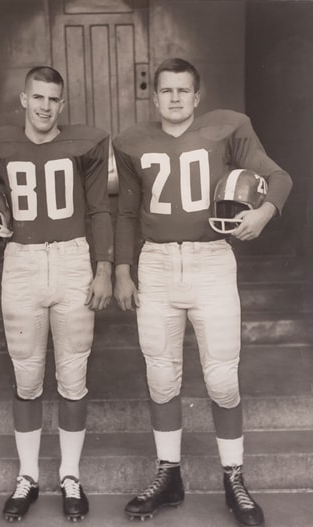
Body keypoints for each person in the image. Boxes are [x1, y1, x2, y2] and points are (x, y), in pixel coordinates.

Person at [112, 58, 292, 527]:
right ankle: (168, 474)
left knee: (222, 378)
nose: (174, 98)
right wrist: (123, 270)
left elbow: (280, 178)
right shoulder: (132, 141)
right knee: (161, 375)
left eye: (183, 91)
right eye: (165, 91)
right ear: (155, 98)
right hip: (154, 264)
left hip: (211, 260)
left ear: (196, 97)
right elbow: (127, 213)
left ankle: (234, 478)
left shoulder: (228, 128)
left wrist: (263, 214)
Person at [0, 66, 113, 522]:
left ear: (63, 103)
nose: (44, 106)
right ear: (23, 99)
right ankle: (27, 476)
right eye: (37, 98)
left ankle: (70, 475)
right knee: (26, 376)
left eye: (53, 100)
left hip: (73, 259)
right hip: (20, 261)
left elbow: (100, 208)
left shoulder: (86, 144)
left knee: (73, 376)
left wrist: (103, 268)